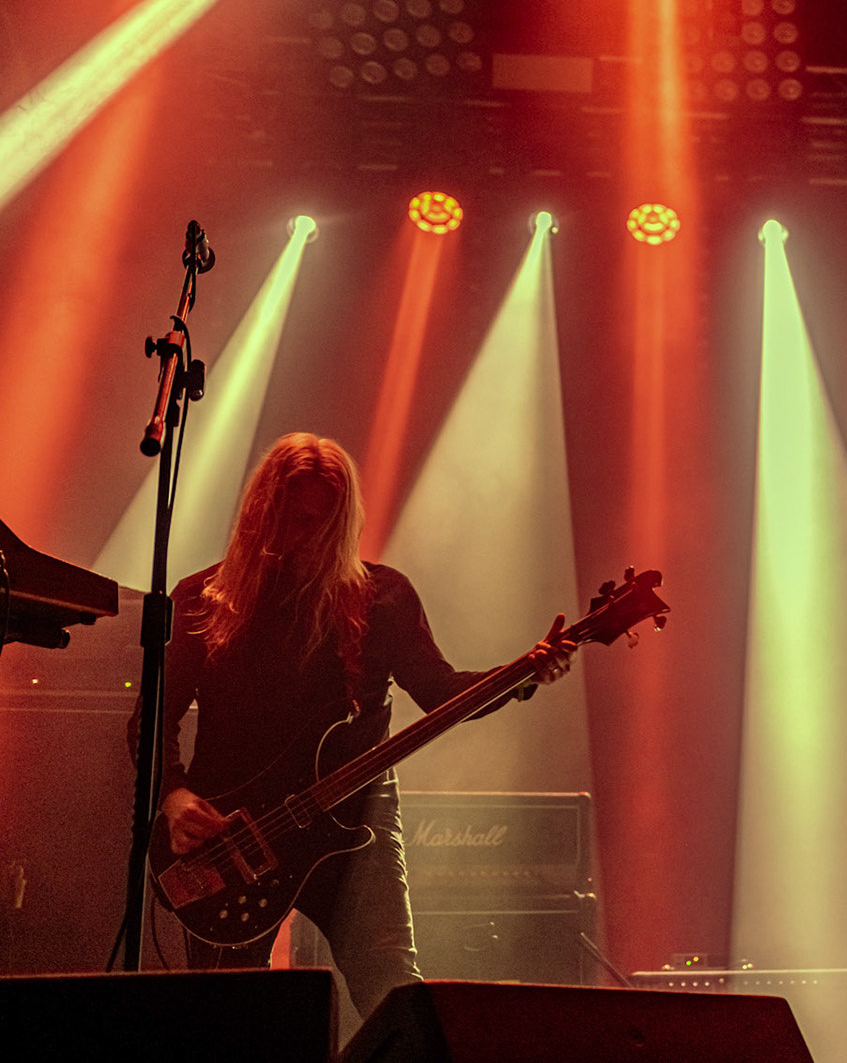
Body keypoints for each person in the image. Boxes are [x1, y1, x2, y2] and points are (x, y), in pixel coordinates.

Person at [129, 432, 571, 1016]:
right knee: (230, 1010)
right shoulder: (200, 599)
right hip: (233, 833)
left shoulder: (381, 598)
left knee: (392, 986)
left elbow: (440, 692)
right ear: (261, 513)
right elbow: (150, 718)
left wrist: (523, 674)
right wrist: (174, 795)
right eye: (291, 517)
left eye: (319, 521)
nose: (303, 536)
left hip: (353, 818)